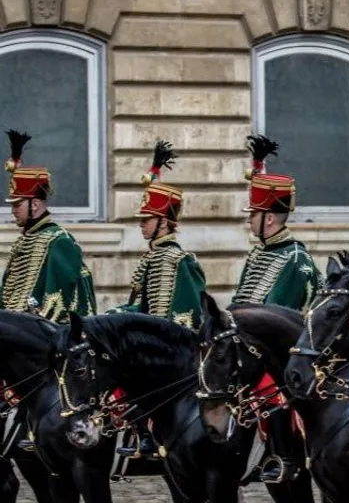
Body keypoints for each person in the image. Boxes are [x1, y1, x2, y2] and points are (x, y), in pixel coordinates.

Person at [109, 140, 207, 459]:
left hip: (170, 344)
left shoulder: (181, 261)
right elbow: (141, 308)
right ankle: (134, 432)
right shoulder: (152, 259)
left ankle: (150, 436)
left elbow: (189, 313)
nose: (141, 223)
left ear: (164, 221)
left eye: (147, 218)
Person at [233, 134, 321, 483]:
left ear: (269, 218)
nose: (248, 220)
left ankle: (283, 456)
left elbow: (277, 315)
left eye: (252, 214)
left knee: (274, 388)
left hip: (283, 352)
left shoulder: (295, 259)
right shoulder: (260, 254)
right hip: (251, 346)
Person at [1, 130, 95, 322]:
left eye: (18, 204)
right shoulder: (24, 241)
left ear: (34, 204)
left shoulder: (59, 241)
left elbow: (56, 306)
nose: (13, 210)